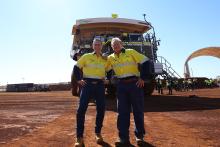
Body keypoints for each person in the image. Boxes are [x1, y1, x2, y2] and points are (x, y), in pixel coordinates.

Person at [106, 37, 150, 146]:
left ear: (121, 44)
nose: (115, 46)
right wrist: (109, 78)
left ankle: (139, 137)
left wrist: (143, 78)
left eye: (117, 44)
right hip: (121, 86)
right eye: (113, 45)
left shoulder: (131, 52)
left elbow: (145, 61)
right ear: (112, 47)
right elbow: (105, 68)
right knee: (122, 113)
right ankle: (123, 139)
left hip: (135, 84)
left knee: (138, 111)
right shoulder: (110, 58)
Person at [73, 38, 107, 147]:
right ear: (93, 46)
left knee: (101, 109)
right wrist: (79, 79)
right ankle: (79, 137)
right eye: (95, 44)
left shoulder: (105, 59)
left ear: (101, 46)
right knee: (81, 110)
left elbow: (111, 69)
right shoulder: (86, 57)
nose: (97, 46)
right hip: (87, 85)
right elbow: (76, 67)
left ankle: (98, 133)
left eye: (99, 45)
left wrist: (109, 78)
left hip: (100, 86)